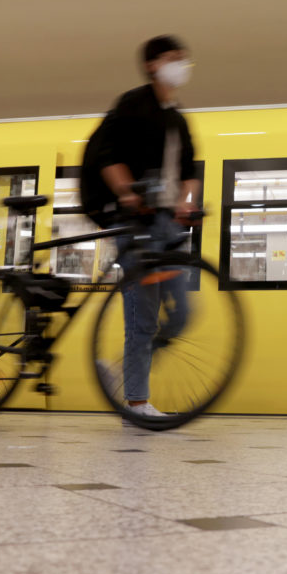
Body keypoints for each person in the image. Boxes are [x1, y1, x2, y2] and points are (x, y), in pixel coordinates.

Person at [81, 35, 201, 421]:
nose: (181, 66)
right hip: (135, 221)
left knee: (182, 313)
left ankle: (117, 371)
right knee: (144, 318)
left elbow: (188, 171)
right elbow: (108, 156)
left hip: (167, 224)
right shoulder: (133, 104)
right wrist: (127, 194)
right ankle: (137, 401)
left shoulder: (177, 119)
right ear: (152, 65)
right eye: (173, 59)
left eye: (183, 60)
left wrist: (187, 203)